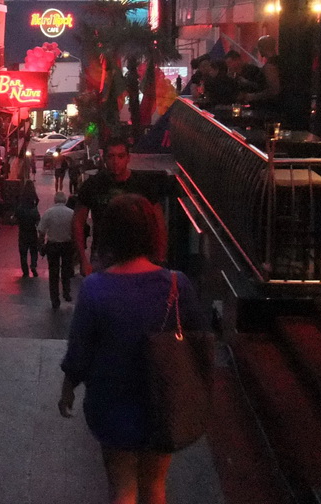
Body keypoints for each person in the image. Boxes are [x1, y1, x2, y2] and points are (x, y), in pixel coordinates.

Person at [58, 194, 206, 504]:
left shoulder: (95, 288)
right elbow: (198, 340)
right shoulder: (178, 285)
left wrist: (68, 387)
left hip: (112, 405)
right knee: (155, 485)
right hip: (162, 402)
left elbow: (80, 352)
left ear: (109, 234)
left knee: (122, 487)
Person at [72, 137, 164, 276]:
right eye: (111, 156)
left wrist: (159, 258)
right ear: (104, 158)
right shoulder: (92, 185)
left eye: (120, 156)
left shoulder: (143, 184)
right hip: (103, 254)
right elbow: (78, 222)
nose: (115, 162)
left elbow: (159, 222)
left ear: (128, 158)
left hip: (139, 255)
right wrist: (83, 260)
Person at [38, 191, 75, 308]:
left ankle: (55, 298)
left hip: (53, 245)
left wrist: (41, 245)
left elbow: (41, 230)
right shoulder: (71, 213)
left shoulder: (49, 213)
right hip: (67, 245)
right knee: (66, 269)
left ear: (55, 200)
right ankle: (66, 292)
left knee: (53, 272)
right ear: (64, 200)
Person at [241, 35, 282, 120]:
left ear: (262, 48)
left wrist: (252, 96)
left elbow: (274, 90)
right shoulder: (278, 61)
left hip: (268, 111)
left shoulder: (270, 66)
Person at [14, 179, 41, 278]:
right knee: (34, 249)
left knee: (23, 251)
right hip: (32, 228)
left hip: (23, 230)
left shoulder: (22, 196)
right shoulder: (33, 195)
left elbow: (16, 215)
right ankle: (33, 265)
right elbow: (37, 201)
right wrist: (34, 206)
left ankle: (25, 270)